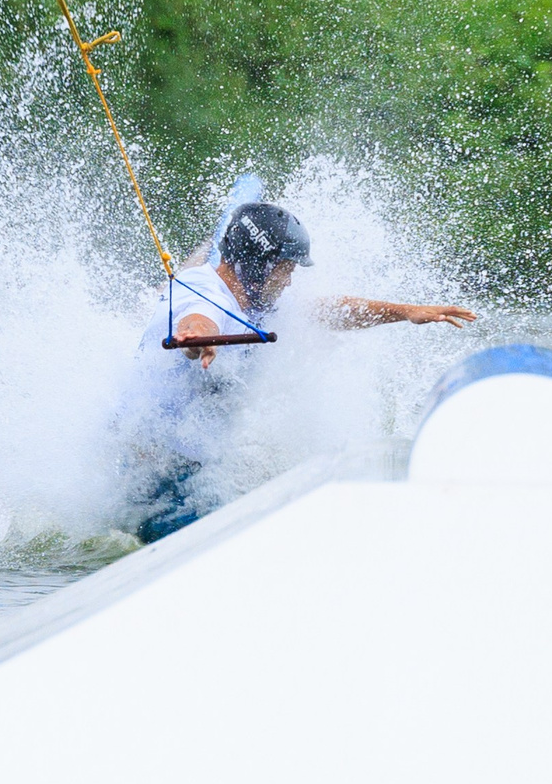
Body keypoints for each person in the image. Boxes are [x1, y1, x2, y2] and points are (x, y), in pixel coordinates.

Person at [119, 200, 477, 543]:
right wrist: (198, 340)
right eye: (285, 269)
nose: (289, 281)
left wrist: (404, 312)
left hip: (188, 470)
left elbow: (328, 310)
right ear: (258, 263)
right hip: (148, 473)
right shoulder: (201, 290)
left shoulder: (256, 301)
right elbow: (197, 318)